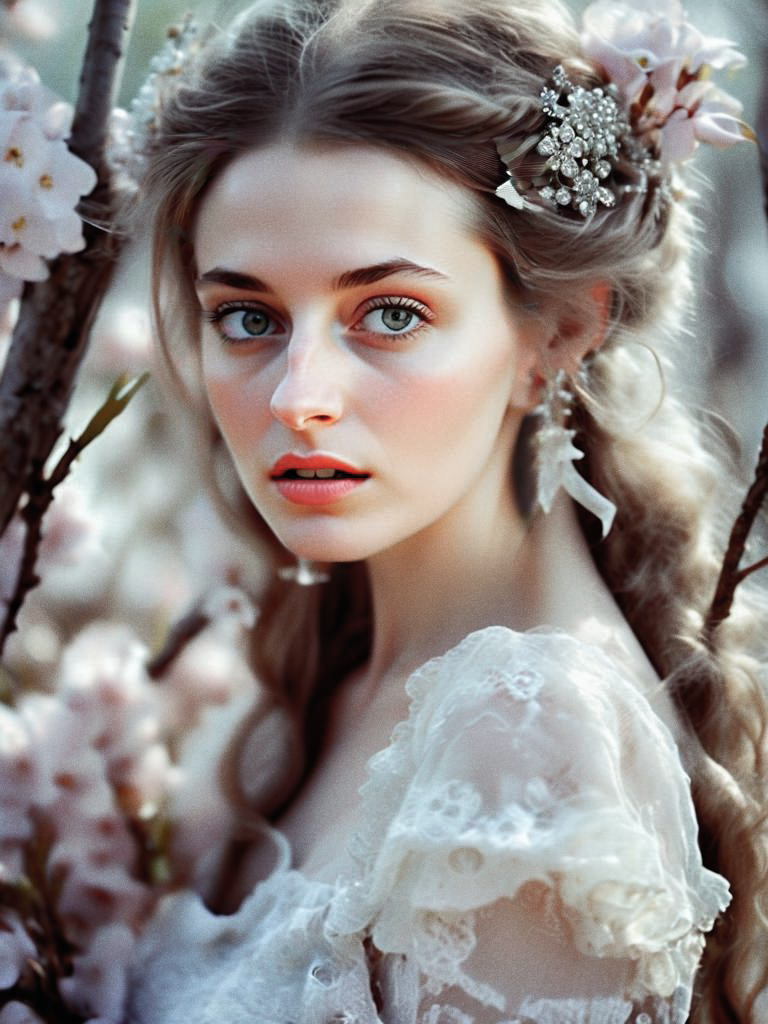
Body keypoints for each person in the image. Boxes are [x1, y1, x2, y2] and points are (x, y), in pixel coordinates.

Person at [126, 0, 768, 1021]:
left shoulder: (527, 736)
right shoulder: (317, 678)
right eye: (247, 317)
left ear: (555, 332)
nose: (298, 397)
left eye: (389, 314)